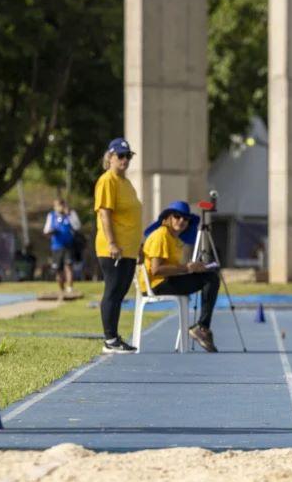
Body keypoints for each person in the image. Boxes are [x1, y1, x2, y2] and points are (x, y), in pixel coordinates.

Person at [139, 201, 219, 352]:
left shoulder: (173, 239)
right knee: (211, 279)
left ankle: (201, 327)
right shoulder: (161, 235)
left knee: (208, 275)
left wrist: (192, 268)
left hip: (164, 281)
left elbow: (172, 268)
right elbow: (156, 270)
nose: (181, 221)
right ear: (168, 218)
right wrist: (186, 268)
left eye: (186, 219)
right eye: (177, 216)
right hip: (157, 284)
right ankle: (202, 328)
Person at [94, 138, 143, 353]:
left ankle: (114, 336)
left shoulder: (126, 182)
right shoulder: (108, 180)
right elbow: (105, 213)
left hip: (129, 249)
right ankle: (109, 339)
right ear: (110, 157)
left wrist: (138, 246)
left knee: (121, 291)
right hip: (113, 248)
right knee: (113, 290)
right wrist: (113, 242)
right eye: (120, 156)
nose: (124, 160)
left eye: (127, 156)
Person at [43, 198, 81, 296]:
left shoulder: (71, 214)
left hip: (69, 245)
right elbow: (46, 230)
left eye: (61, 205)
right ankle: (61, 289)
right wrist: (52, 231)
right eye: (57, 205)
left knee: (68, 266)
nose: (59, 207)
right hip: (56, 246)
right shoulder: (51, 215)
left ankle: (70, 288)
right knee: (58, 269)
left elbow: (77, 227)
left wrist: (68, 215)